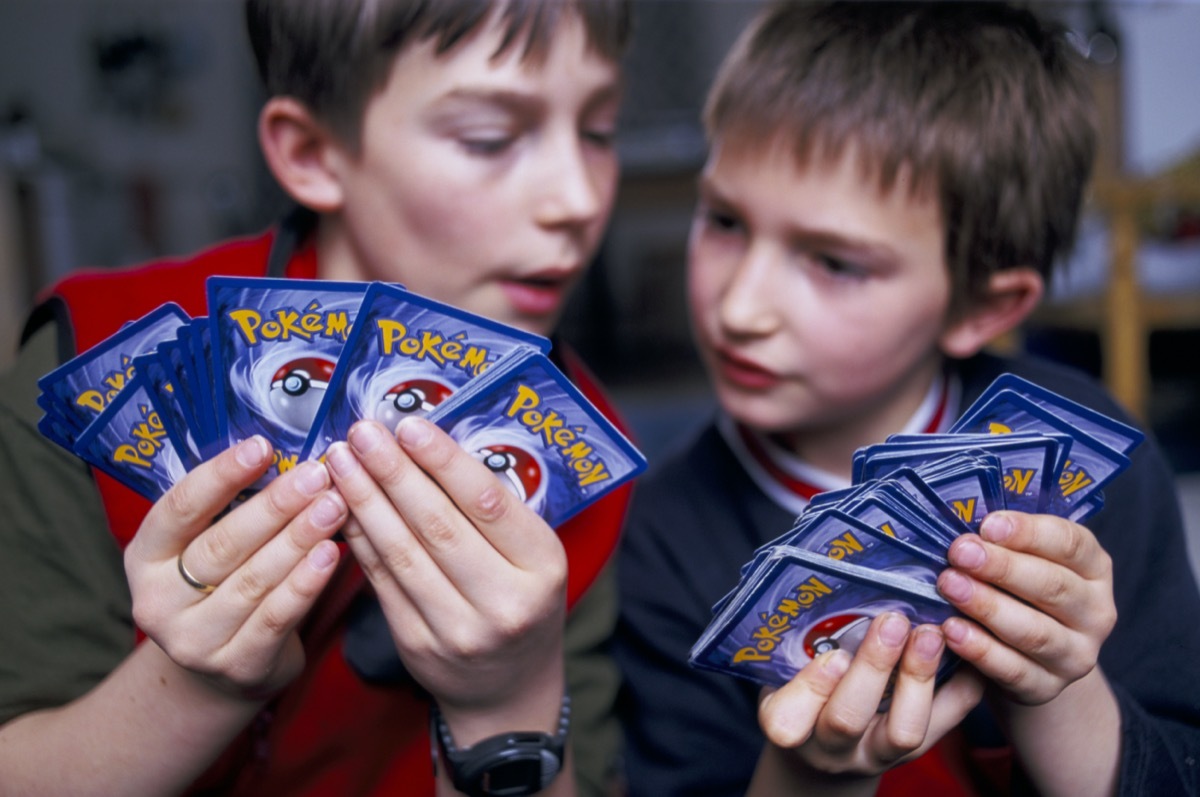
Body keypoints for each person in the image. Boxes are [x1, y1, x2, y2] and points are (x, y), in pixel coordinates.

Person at [0, 1, 635, 795]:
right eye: (490, 138)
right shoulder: (94, 354)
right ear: (310, 153)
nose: (577, 198)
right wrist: (202, 683)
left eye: (601, 131)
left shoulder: (585, 447)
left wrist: (505, 705)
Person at [613, 2, 1200, 795]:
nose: (741, 306)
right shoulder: (660, 535)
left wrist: (1054, 684)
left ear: (983, 310)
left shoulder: (1084, 456)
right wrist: (808, 771)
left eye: (835, 262)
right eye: (723, 219)